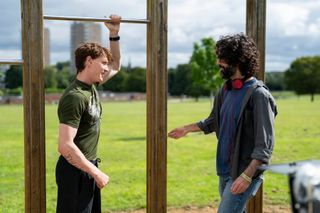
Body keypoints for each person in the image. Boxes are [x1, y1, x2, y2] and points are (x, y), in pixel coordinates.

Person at [168, 33, 277, 213]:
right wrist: (186, 129)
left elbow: (264, 146)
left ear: (239, 60)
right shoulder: (225, 90)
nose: (219, 62)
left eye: (223, 58)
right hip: (225, 170)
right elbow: (212, 121)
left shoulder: (259, 96)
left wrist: (247, 176)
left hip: (243, 173)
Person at [55, 15, 121, 213]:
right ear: (89, 61)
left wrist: (114, 35)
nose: (106, 67)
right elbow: (65, 145)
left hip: (86, 168)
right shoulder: (75, 96)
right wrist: (95, 173)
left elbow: (116, 65)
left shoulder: (91, 86)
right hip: (75, 171)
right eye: (102, 62)